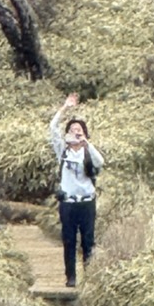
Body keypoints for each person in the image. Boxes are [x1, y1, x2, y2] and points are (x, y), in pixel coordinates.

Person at [50, 93, 104, 288]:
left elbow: (101, 162)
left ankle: (89, 277)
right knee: (69, 241)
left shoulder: (88, 152)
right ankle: (70, 277)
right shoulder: (62, 151)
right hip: (69, 203)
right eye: (72, 130)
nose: (76, 133)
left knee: (88, 241)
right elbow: (52, 128)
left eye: (79, 130)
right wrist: (65, 108)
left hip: (87, 202)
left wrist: (86, 142)